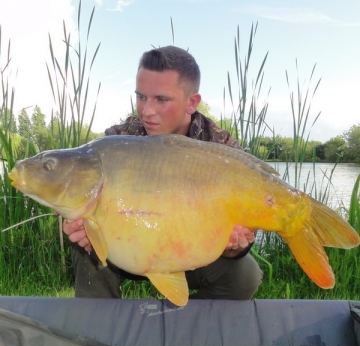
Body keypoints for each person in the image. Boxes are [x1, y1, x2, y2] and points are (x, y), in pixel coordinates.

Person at [63, 45, 263, 301]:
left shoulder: (219, 148)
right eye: (141, 97)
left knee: (245, 275)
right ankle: (98, 331)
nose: (147, 111)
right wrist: (80, 228)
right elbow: (80, 196)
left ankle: (182, 329)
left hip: (189, 253)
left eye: (161, 99)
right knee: (85, 250)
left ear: (191, 102)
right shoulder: (118, 141)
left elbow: (246, 235)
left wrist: (235, 247)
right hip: (125, 250)